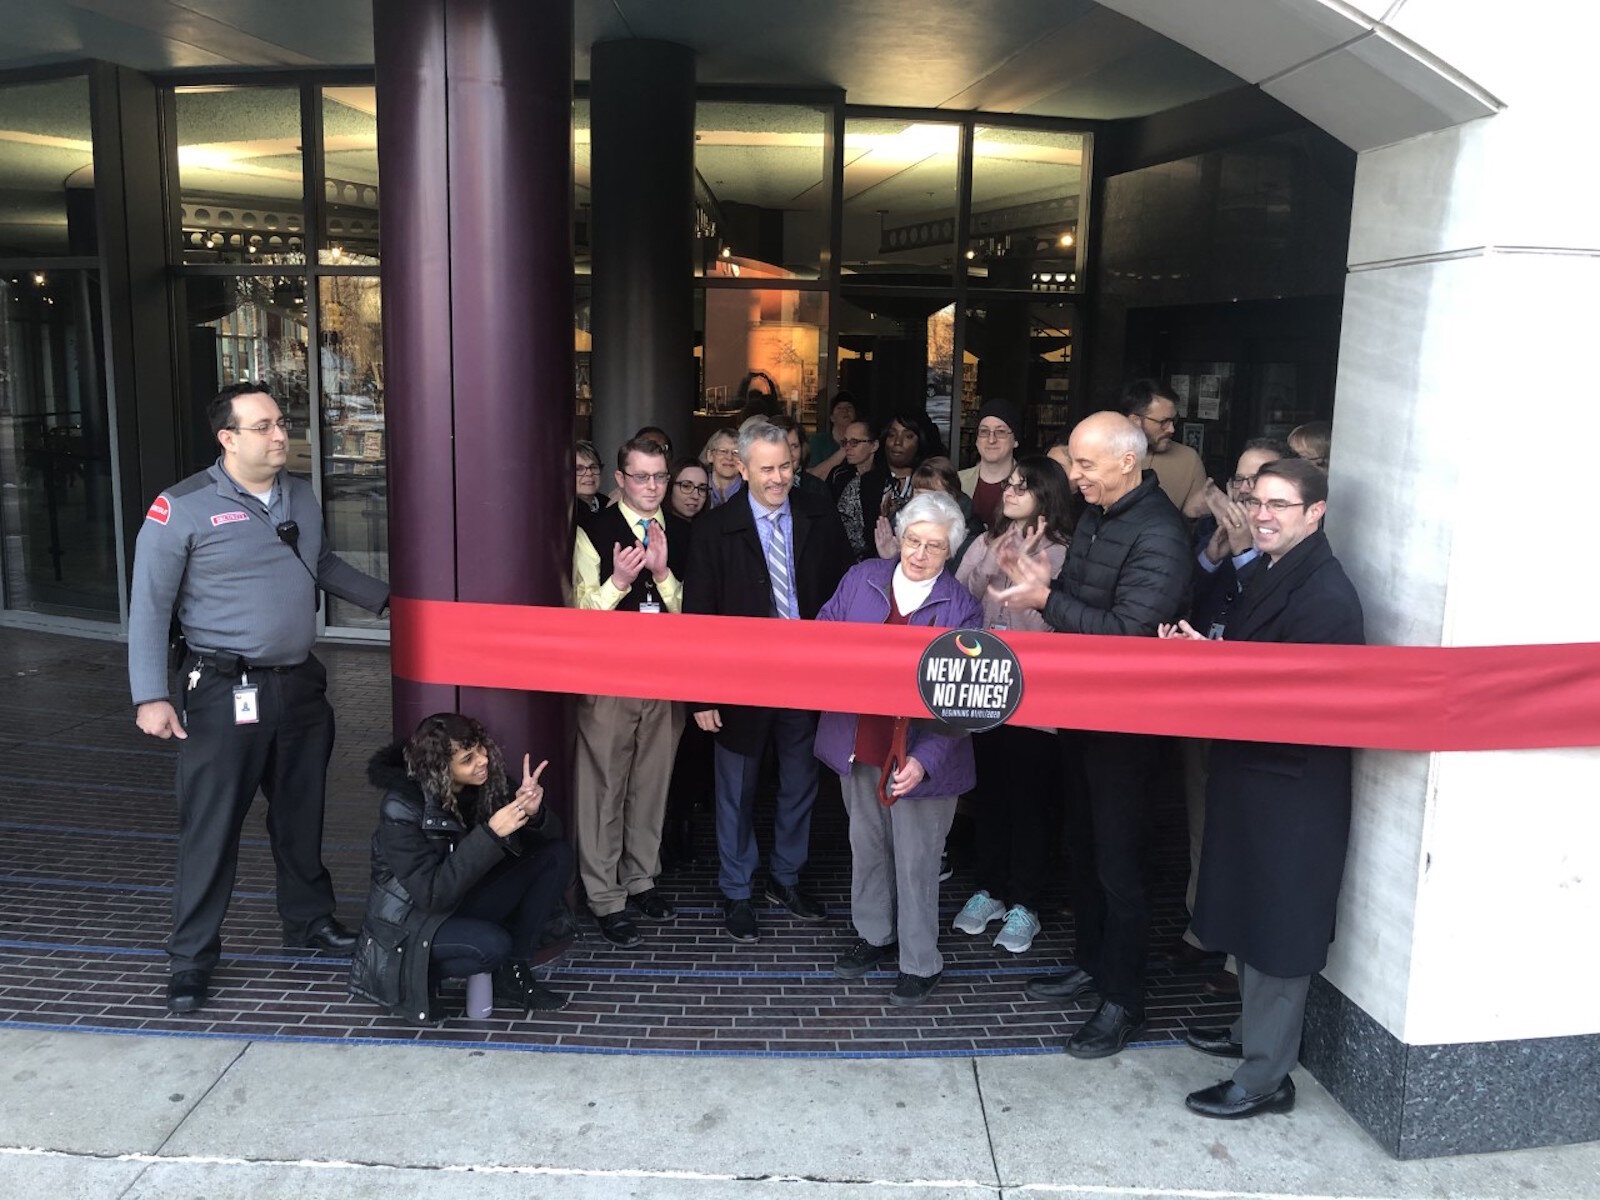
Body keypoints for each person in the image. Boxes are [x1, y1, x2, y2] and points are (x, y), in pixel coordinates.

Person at [127, 381, 390, 1015]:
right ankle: (191, 959)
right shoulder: (181, 507)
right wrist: (150, 696)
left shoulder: (299, 494)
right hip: (221, 690)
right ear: (228, 438)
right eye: (266, 426)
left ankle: (309, 922)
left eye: (283, 424)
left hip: (298, 685)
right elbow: (149, 607)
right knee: (211, 828)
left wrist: (392, 601)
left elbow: (320, 563)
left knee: (301, 817)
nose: (282, 436)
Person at [1159, 458, 1363, 1119]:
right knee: (1248, 909)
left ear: (1316, 513)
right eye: (1257, 501)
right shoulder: (1279, 570)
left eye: (1282, 503)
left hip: (1291, 789)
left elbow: (1292, 701)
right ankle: (1254, 1038)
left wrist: (1210, 670)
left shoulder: (1325, 595)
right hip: (1255, 776)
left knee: (1277, 926)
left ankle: (1266, 1080)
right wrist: (1207, 657)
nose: (1264, 513)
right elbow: (1255, 670)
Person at [990, 410, 1188, 1058]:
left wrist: (1047, 601)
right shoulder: (1104, 516)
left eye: (1084, 464)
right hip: (1083, 715)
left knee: (1120, 866)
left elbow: (1130, 634)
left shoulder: (1158, 534)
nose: (1073, 476)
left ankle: (1123, 1000)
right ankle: (1091, 966)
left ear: (1127, 461)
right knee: (1084, 848)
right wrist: (1045, 583)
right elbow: (1080, 597)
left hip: (1127, 729)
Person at [684, 421, 853, 942]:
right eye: (768, 469)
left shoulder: (817, 517)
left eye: (785, 466)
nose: (779, 477)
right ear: (741, 467)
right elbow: (699, 616)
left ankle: (786, 877)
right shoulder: (714, 528)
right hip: (739, 682)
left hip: (805, 678)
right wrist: (702, 694)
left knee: (800, 783)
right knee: (736, 788)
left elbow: (842, 595)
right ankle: (737, 890)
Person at [815, 492, 983, 1005]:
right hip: (858, 739)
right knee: (866, 847)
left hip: (923, 755)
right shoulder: (861, 577)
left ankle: (919, 960)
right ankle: (873, 935)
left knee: (917, 860)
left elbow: (966, 700)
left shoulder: (961, 605)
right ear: (900, 536)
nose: (919, 553)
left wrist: (923, 762)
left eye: (934, 545)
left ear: (950, 550)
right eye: (913, 540)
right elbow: (822, 637)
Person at [350, 714, 572, 1023]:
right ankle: (414, 975)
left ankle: (513, 974)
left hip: (461, 897)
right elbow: (432, 895)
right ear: (441, 768)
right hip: (412, 925)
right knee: (492, 945)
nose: (482, 760)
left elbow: (549, 840)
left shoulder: (485, 783)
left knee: (556, 856)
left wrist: (533, 814)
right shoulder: (401, 808)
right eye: (468, 758)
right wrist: (490, 835)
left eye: (481, 748)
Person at [1174, 437, 1289, 996]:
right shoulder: (1224, 530)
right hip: (1202, 698)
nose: (1244, 491)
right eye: (1240, 480)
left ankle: (1229, 948)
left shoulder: (1282, 543)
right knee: (1202, 813)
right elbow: (1191, 591)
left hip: (1251, 712)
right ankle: (1203, 925)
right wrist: (1214, 554)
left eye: (1257, 480)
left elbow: (1265, 610)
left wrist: (1244, 554)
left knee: (1240, 824)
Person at [951, 455, 1073, 954]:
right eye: (1012, 485)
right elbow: (959, 599)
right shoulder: (983, 540)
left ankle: (1026, 902)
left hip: (1036, 695)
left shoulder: (1063, 553)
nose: (1012, 491)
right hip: (984, 687)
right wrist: (991, 559)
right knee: (990, 794)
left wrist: (1024, 575)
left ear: (1047, 495)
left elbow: (1054, 625)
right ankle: (990, 889)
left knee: (1030, 799)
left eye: (1024, 486)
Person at [571, 435, 687, 947]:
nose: (651, 486)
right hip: (609, 679)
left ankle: (641, 878)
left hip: (663, 676)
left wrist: (662, 575)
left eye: (659, 476)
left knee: (652, 782)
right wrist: (618, 582)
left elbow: (694, 613)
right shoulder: (591, 531)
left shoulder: (681, 530)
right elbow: (579, 614)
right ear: (620, 478)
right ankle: (604, 895)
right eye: (641, 476)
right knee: (604, 786)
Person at [1124, 379, 1209, 518]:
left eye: (1173, 421)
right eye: (1163, 422)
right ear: (1135, 421)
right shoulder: (1107, 454)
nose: (1171, 429)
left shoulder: (1189, 460)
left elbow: (1198, 528)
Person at [958, 399, 1022, 527]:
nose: (991, 440)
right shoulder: (956, 481)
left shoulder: (1031, 485)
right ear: (976, 440)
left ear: (1015, 440)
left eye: (1001, 432)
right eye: (984, 431)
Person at [826, 419, 880, 559]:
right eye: (845, 442)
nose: (848, 448)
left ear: (874, 445)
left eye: (854, 442)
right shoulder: (838, 475)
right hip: (837, 555)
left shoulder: (884, 480)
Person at [808, 391, 859, 478]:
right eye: (839, 408)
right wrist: (844, 450)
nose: (845, 411)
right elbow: (812, 477)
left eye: (849, 407)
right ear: (832, 417)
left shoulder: (862, 443)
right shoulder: (818, 441)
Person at [701, 426, 744, 508]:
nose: (729, 457)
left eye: (736, 453)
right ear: (710, 455)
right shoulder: (698, 487)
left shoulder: (751, 491)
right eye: (723, 451)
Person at [667, 456, 711, 521]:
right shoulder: (652, 527)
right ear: (670, 486)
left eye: (702, 489)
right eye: (686, 486)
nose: (695, 496)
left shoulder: (712, 527)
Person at [574, 440, 603, 516]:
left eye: (593, 467)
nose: (589, 473)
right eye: (579, 469)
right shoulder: (559, 513)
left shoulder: (611, 507)